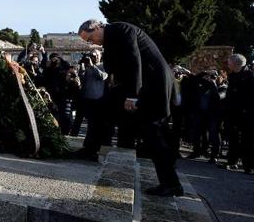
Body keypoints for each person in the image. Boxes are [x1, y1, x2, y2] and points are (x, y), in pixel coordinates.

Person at [78, 19, 182, 197]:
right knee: (99, 109)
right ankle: (89, 150)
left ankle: (171, 184)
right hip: (137, 85)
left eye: (90, 38)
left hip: (152, 86)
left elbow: (134, 61)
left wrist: (132, 96)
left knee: (153, 132)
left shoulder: (121, 30)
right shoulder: (111, 40)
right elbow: (113, 67)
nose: (92, 43)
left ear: (97, 27)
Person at [223, 54, 254, 174]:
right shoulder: (234, 75)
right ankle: (232, 162)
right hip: (235, 114)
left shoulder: (251, 76)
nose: (228, 65)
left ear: (234, 64)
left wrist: (250, 107)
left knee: (248, 141)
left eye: (229, 63)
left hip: (249, 115)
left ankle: (248, 167)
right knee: (233, 138)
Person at [73, 50, 109, 161]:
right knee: (88, 126)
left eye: (96, 55)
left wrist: (92, 66)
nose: (94, 57)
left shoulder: (103, 66)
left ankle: (93, 150)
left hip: (97, 101)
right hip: (85, 100)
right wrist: (82, 68)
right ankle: (87, 148)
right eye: (92, 55)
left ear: (100, 56)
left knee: (94, 126)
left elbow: (103, 77)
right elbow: (82, 81)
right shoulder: (87, 66)